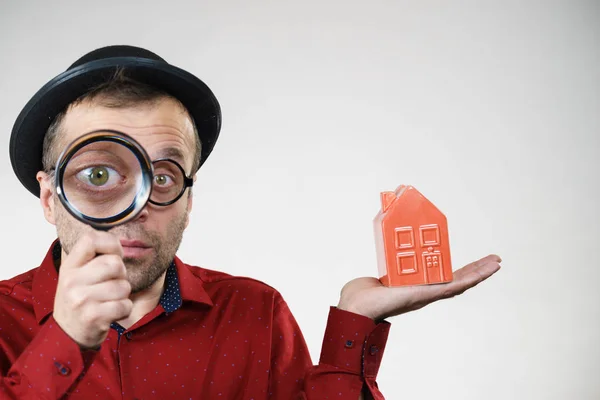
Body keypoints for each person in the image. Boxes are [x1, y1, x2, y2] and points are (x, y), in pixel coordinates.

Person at [0, 45, 502, 399]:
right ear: (50, 197)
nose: (139, 206)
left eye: (165, 175)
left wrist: (355, 326)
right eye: (100, 173)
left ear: (189, 200)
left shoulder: (255, 313)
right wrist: (62, 342)